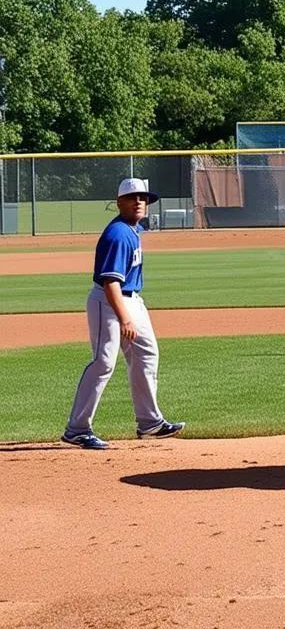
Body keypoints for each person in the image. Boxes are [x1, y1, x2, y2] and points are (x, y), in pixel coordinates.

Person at [62, 178, 185, 450]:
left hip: (131, 300)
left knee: (146, 353)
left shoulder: (133, 229)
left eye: (143, 197)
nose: (139, 201)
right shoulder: (118, 234)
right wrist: (125, 318)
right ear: (119, 202)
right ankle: (77, 429)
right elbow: (110, 282)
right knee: (103, 362)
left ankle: (150, 423)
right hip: (109, 301)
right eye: (132, 197)